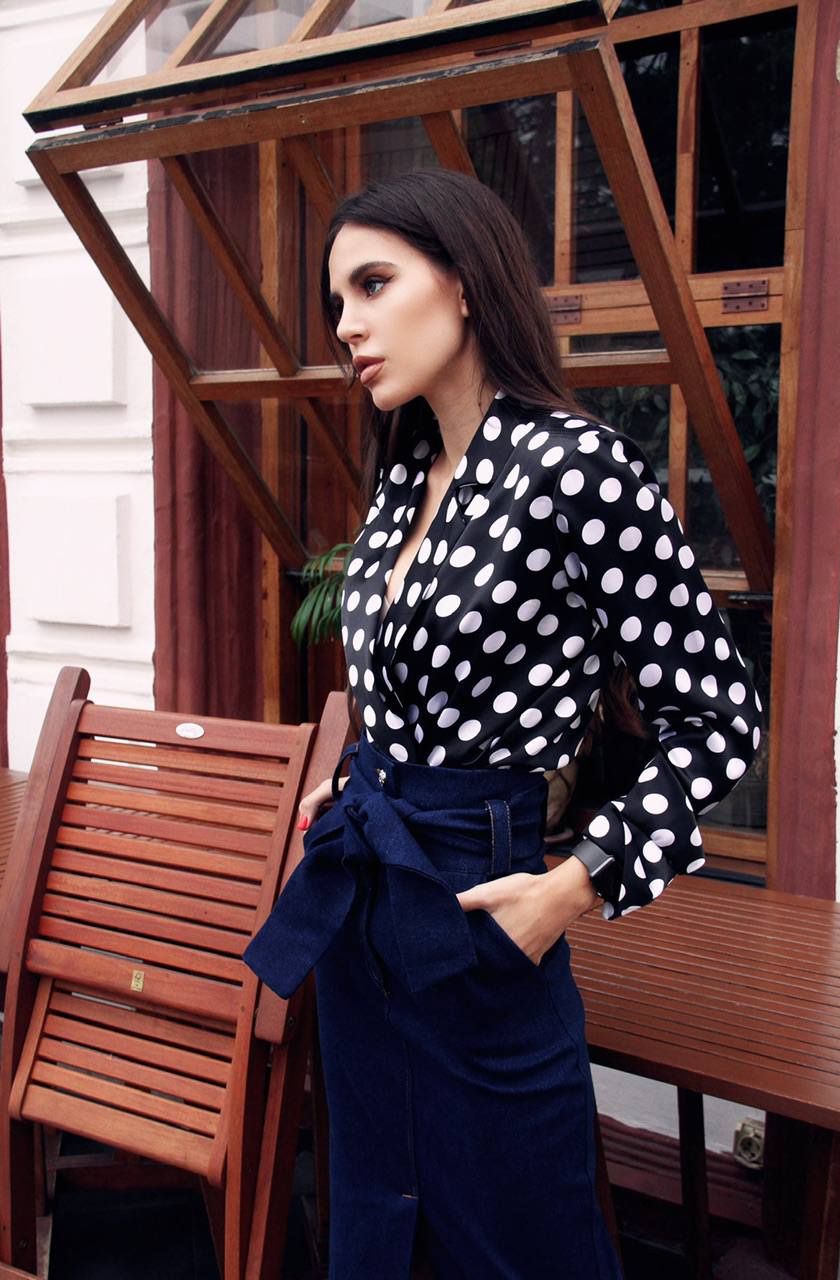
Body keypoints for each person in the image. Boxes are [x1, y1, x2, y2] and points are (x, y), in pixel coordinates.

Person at [243, 168, 762, 1279]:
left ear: (467, 281)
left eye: (374, 284)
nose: (348, 327)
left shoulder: (581, 468)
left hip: (487, 924)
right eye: (338, 302)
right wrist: (365, 776)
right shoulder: (404, 477)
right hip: (370, 929)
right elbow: (414, 690)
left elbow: (717, 717)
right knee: (381, 1231)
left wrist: (576, 885)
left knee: (520, 1242)